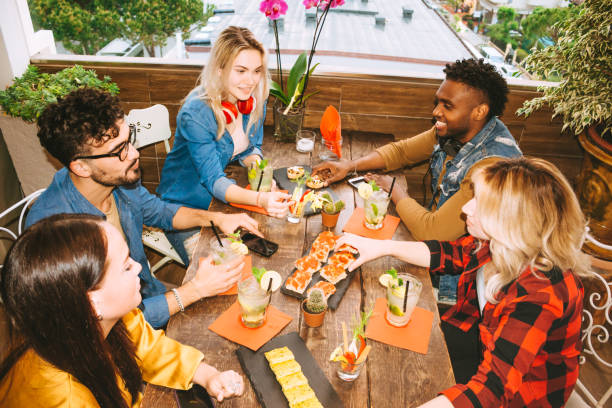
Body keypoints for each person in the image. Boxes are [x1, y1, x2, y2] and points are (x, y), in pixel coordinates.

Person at [336, 157, 591, 407]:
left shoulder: (542, 292)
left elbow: (492, 390)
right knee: (383, 353)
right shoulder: (499, 243)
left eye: (480, 204)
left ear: (512, 222)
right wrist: (380, 248)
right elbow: (448, 254)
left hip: (524, 394)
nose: (466, 209)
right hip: (480, 339)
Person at [26, 87, 258, 329]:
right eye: (119, 150)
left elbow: (159, 211)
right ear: (81, 167)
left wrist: (216, 218)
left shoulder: (116, 181)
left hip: (149, 297)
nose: (135, 154)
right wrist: (194, 290)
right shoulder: (56, 235)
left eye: (129, 139)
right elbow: (106, 328)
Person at [314, 58, 522, 303]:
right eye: (438, 102)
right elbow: (401, 152)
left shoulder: (490, 167)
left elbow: (431, 231)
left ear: (479, 111)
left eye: (447, 105)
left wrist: (395, 190)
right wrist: (349, 165)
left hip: (459, 287)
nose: (436, 112)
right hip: (431, 251)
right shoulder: (456, 130)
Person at [0, 214, 244, 407]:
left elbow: (150, 349)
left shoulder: (101, 316)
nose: (139, 267)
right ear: (91, 301)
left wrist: (207, 375)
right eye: (126, 266)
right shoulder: (64, 397)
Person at [157, 26, 290, 259]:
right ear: (220, 69)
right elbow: (214, 181)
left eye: (257, 70)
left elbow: (250, 147)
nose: (250, 81)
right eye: (241, 71)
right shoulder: (196, 113)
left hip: (225, 204)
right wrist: (261, 199)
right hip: (186, 210)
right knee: (227, 272)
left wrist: (258, 170)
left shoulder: (254, 96)